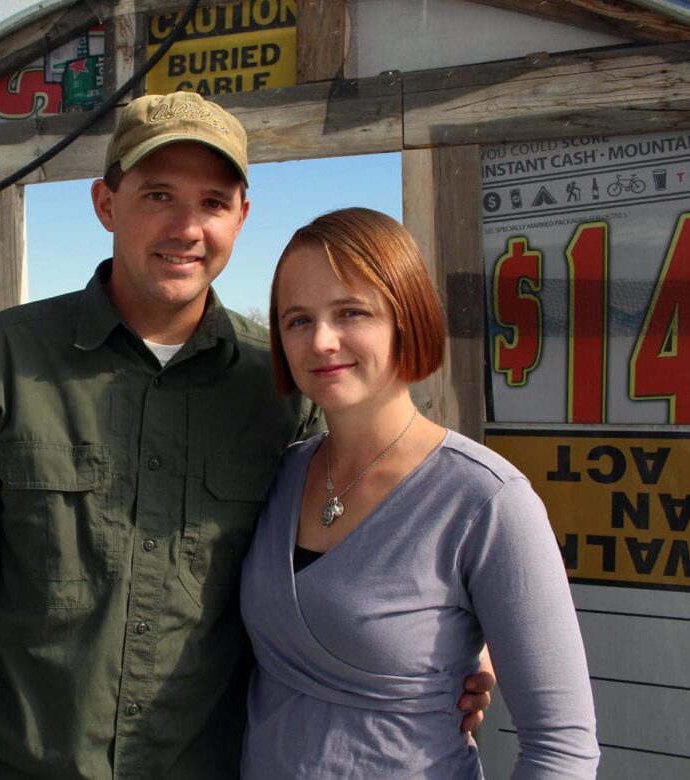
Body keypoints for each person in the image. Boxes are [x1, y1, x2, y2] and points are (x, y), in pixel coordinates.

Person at [0, 92, 493, 779]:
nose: (186, 227)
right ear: (106, 204)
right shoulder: (3, 362)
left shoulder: (281, 385)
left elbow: (361, 541)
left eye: (212, 202)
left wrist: (464, 638)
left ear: (241, 218)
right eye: (158, 195)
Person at [240, 207, 599, 777]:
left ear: (407, 317)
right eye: (297, 320)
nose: (322, 341)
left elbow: (562, 747)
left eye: (351, 311)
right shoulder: (280, 476)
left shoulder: (486, 500)